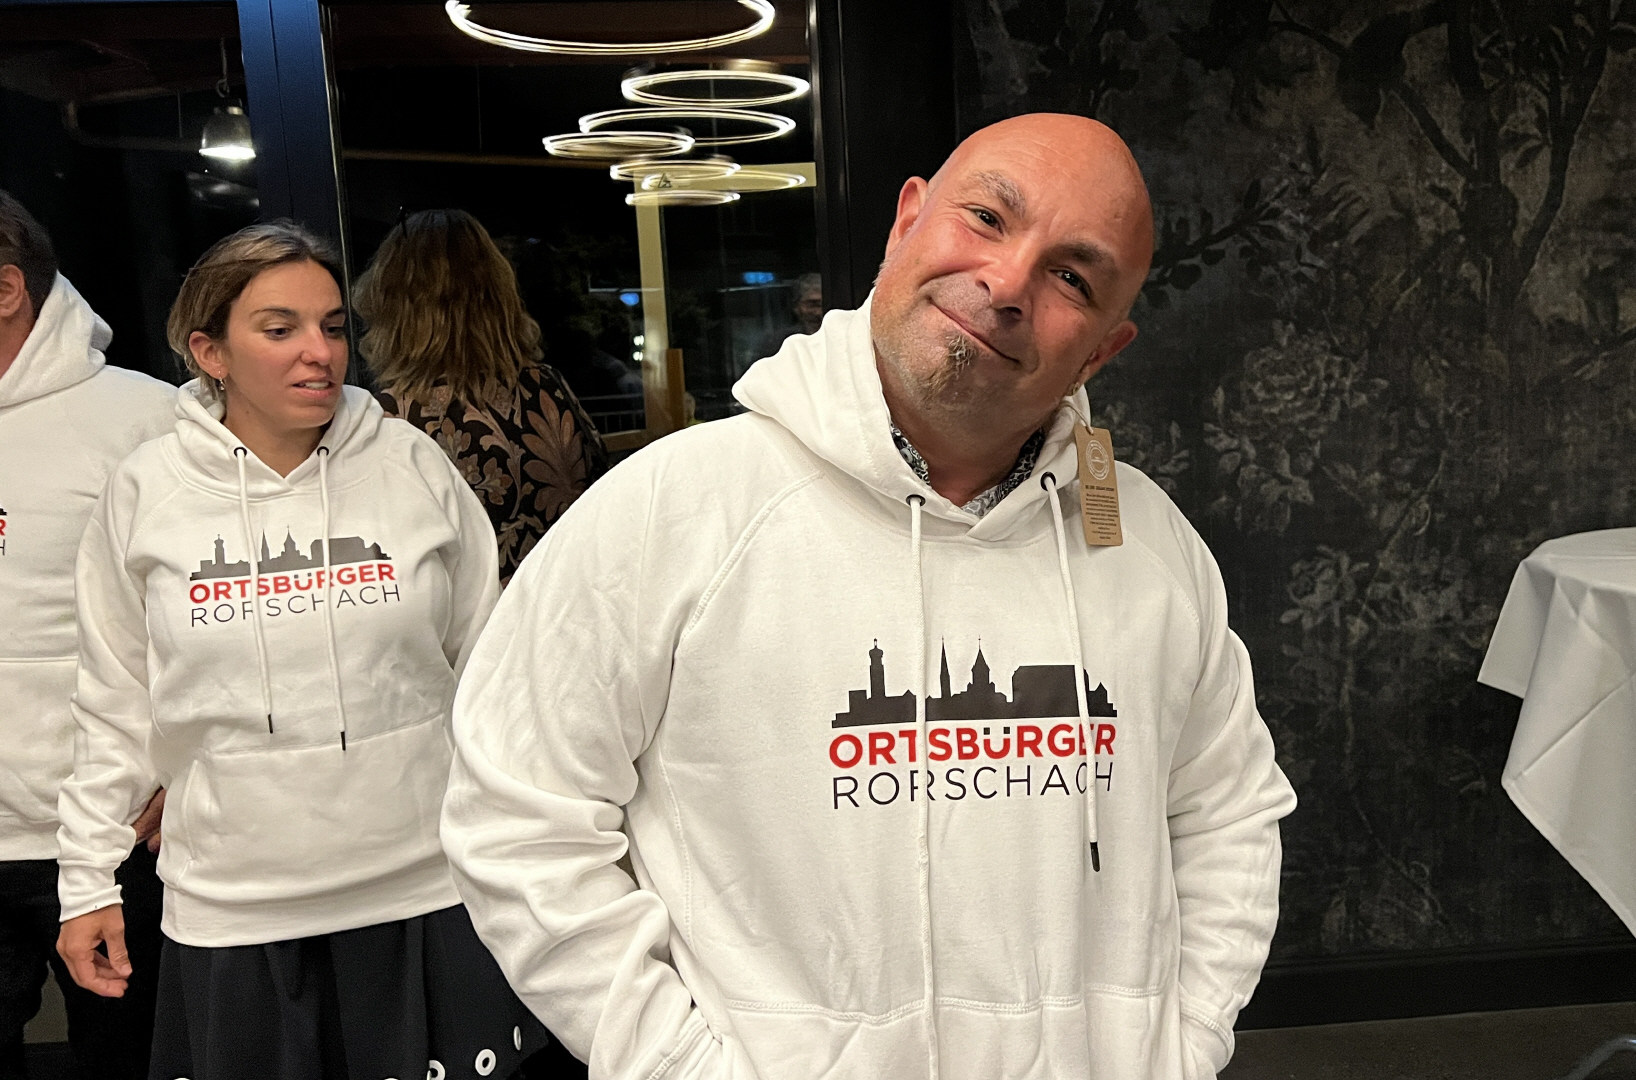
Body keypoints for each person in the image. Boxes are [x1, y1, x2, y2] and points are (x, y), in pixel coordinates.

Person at [442, 112, 1298, 1078]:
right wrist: (677, 1065)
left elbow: (1227, 815)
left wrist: (1182, 1047)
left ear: (1103, 349)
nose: (1007, 283)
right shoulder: (670, 511)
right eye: (987, 218)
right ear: (907, 220)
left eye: (1072, 278)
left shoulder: (1152, 548)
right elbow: (519, 816)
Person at [53, 221, 547, 1079]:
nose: (319, 352)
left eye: (332, 326)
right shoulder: (146, 491)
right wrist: (87, 879)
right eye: (279, 329)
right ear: (210, 351)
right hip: (235, 907)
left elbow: (491, 675)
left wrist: (524, 847)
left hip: (423, 886)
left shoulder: (412, 466)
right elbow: (114, 702)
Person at [0, 190, 173, 1078]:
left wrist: (191, 770)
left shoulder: (144, 421)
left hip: (110, 837)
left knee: (130, 1065)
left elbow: (224, 613)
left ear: (6, 290)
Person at [355, 209, 609, 585]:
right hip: (566, 602)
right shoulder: (548, 387)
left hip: (472, 621)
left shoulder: (391, 418)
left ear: (389, 305)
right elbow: (602, 497)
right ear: (500, 294)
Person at [753, 271, 825, 363]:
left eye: (823, 305)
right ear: (796, 307)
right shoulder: (777, 344)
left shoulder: (840, 339)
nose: (819, 312)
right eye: (812, 305)